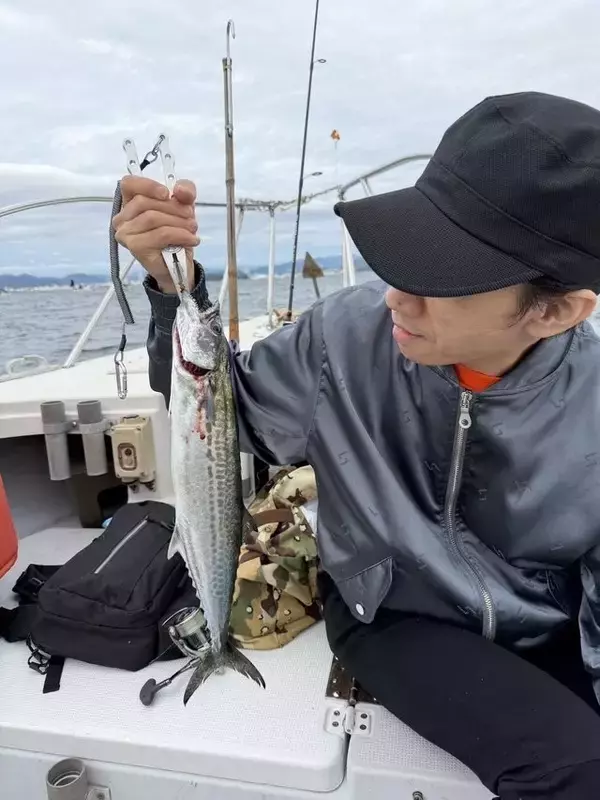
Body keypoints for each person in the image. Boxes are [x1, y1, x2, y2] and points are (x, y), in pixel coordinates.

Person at [113, 91, 600, 799]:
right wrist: (172, 285)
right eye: (406, 250)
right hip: (395, 612)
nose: (397, 295)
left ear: (556, 311)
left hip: (549, 619)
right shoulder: (342, 335)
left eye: (444, 277)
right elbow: (230, 424)